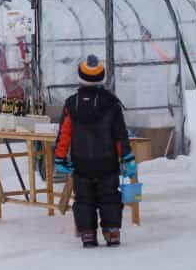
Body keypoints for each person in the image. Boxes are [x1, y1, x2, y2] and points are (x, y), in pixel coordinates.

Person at [54, 54, 137, 248]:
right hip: (107, 163)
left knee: (84, 199)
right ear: (102, 77)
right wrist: (127, 157)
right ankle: (112, 232)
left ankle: (88, 234)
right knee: (109, 197)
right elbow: (120, 135)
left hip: (80, 164)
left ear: (79, 77)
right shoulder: (111, 104)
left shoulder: (71, 104)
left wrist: (59, 159)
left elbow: (64, 135)